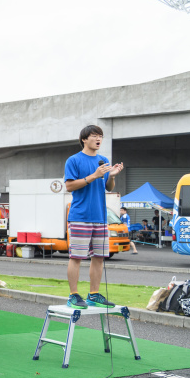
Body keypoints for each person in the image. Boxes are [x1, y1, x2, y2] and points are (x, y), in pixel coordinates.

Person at [63, 125, 123, 309]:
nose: (98, 139)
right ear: (84, 139)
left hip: (100, 216)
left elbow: (109, 187)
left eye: (100, 136)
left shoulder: (103, 160)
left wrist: (111, 176)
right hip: (80, 216)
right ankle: (73, 295)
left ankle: (94, 294)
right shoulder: (73, 160)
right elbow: (70, 186)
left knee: (99, 257)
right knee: (77, 257)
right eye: (95, 136)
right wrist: (93, 176)